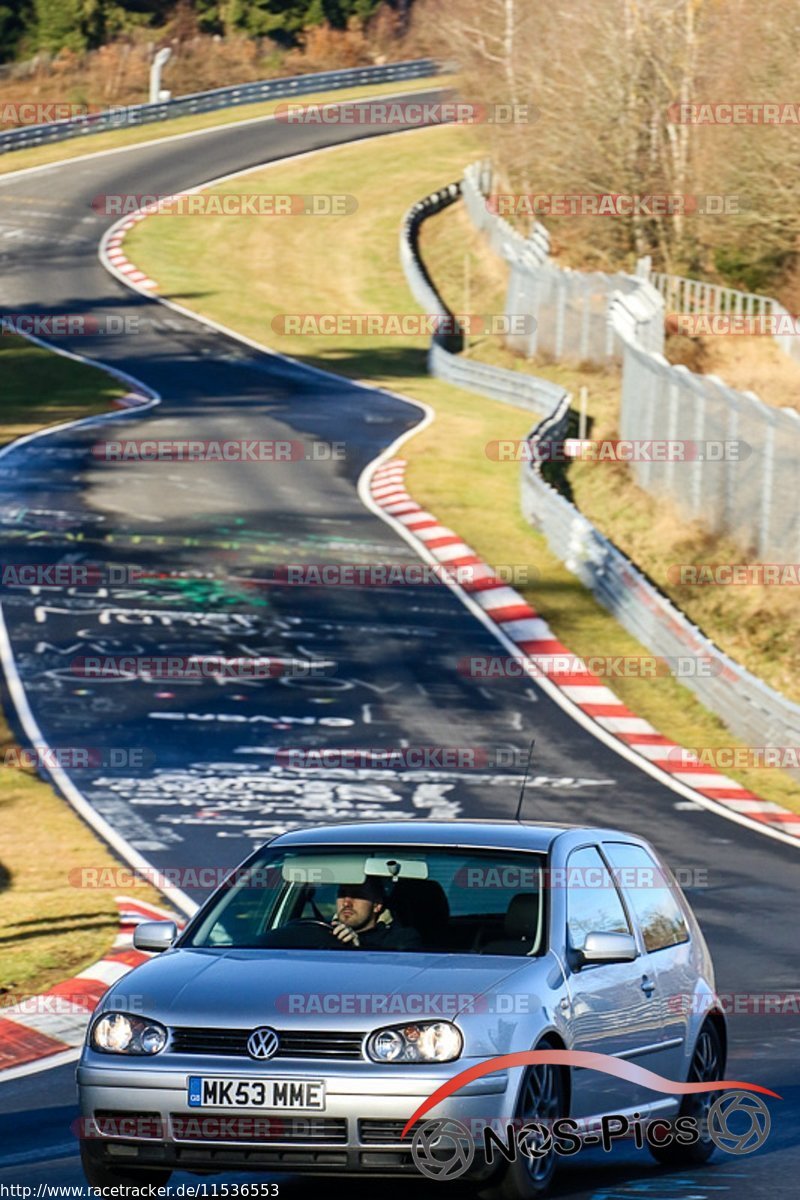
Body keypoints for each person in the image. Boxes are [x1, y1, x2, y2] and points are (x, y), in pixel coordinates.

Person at [330, 880, 422, 950]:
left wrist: (358, 949)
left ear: (377, 905)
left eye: (357, 895)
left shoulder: (400, 940)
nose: (346, 903)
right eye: (341, 894)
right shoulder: (321, 931)